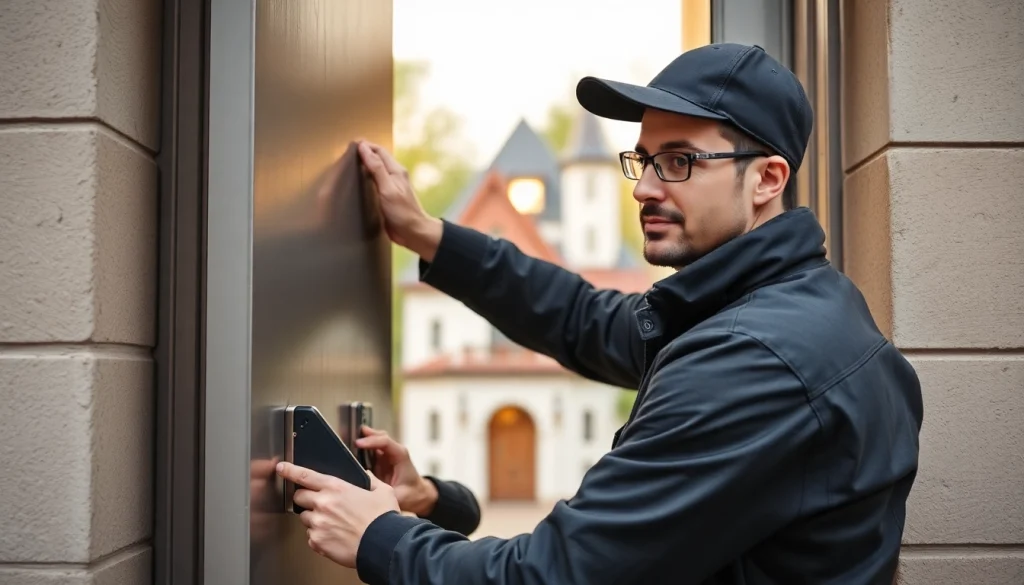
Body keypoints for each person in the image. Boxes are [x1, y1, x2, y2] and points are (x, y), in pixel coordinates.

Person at [276, 42, 924, 585]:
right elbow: (586, 318)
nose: (643, 186)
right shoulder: (780, 307)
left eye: (679, 161)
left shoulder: (755, 361)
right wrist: (429, 235)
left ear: (767, 179)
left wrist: (380, 537)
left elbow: (557, 574)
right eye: (644, 159)